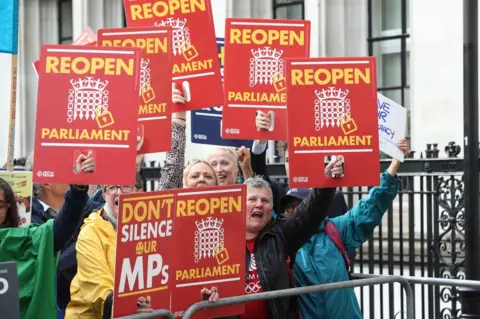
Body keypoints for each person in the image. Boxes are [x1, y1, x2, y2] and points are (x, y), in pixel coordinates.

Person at [281, 139, 409, 319]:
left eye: (302, 205)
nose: (297, 212)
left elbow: (369, 207)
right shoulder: (280, 241)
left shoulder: (334, 230)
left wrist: (394, 164)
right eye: (289, 208)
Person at [66, 172, 219, 318]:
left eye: (126, 186)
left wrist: (199, 294)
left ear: (140, 191)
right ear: (105, 195)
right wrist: (128, 305)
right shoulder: (90, 232)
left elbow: (175, 276)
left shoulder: (157, 227)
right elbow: (97, 287)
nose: (118, 192)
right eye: (111, 187)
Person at [231, 160, 339, 319]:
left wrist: (327, 181)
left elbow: (308, 213)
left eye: (265, 201)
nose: (259, 205)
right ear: (239, 205)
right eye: (252, 199)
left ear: (271, 209)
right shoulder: (223, 241)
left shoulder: (280, 234)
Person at [0, 176, 92, 319]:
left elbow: (60, 230)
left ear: (9, 208)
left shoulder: (25, 239)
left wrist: (78, 190)